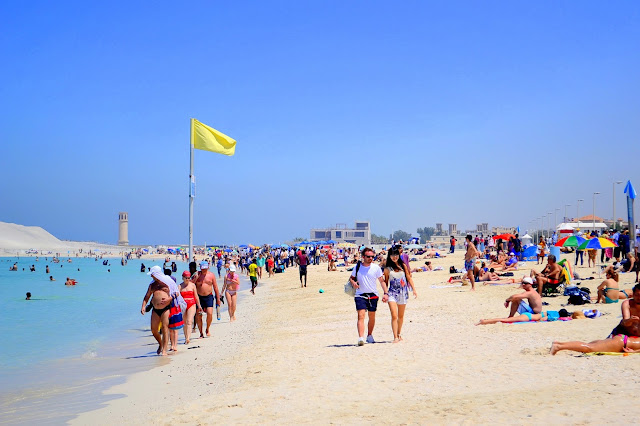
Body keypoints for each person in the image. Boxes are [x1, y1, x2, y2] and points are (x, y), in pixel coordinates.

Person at [350, 247, 390, 346]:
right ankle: (360, 338)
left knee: (371, 316)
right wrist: (354, 283)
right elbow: (351, 278)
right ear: (363, 257)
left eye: (372, 256)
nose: (371, 258)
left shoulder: (376, 268)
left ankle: (369, 335)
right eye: (368, 256)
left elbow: (382, 281)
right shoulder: (358, 267)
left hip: (373, 295)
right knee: (361, 315)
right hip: (360, 294)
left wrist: (386, 293)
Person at [140, 266, 178, 356]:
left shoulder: (168, 282)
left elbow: (177, 293)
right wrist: (143, 306)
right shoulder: (152, 284)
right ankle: (160, 344)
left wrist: (169, 299)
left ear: (156, 274)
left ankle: (164, 350)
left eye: (152, 274)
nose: (151, 276)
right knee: (153, 330)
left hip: (166, 308)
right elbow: (147, 296)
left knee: (165, 328)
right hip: (155, 309)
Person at [384, 247, 418, 343]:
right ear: (389, 256)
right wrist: (385, 294)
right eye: (392, 255)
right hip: (392, 293)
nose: (394, 257)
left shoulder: (403, 266)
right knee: (394, 315)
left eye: (396, 255)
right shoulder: (387, 269)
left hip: (403, 293)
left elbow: (409, 278)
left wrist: (414, 290)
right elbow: (385, 283)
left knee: (401, 316)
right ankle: (395, 337)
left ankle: (399, 334)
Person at [550, 318, 640, 355]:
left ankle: (559, 344)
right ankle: (559, 346)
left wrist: (635, 351)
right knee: (590, 348)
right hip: (622, 343)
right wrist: (635, 351)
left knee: (591, 345)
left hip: (623, 339)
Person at [192, 261, 220, 338]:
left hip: (209, 296)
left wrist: (218, 298)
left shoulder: (211, 275)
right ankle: (201, 333)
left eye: (205, 268)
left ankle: (207, 328)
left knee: (210, 313)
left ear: (208, 267)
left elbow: (215, 287)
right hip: (199, 297)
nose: (204, 270)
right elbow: (191, 285)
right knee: (199, 315)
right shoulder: (197, 274)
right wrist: (196, 278)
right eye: (202, 268)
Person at [179, 271, 201, 344]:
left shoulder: (192, 285)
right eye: (186, 278)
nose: (187, 279)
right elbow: (177, 297)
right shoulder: (179, 286)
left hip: (192, 304)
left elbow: (196, 296)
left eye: (189, 278)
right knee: (184, 322)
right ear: (183, 278)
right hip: (183, 305)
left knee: (189, 321)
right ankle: (186, 337)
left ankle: (188, 338)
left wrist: (199, 305)